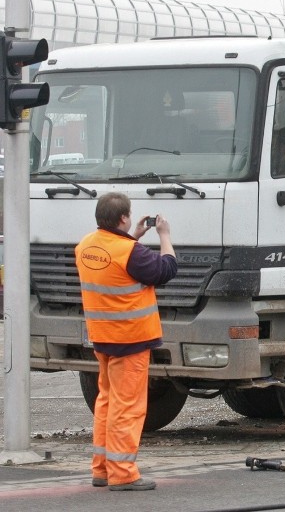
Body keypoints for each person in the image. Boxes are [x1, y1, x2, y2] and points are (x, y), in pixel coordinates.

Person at [75, 192, 177, 491]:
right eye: (129, 216)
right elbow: (166, 270)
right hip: (130, 339)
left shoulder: (85, 247)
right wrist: (164, 236)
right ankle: (123, 473)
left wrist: (134, 236)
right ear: (122, 217)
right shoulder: (130, 252)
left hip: (102, 337)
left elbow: (115, 265)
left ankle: (102, 469)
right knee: (127, 407)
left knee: (106, 402)